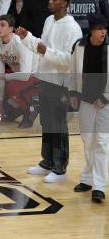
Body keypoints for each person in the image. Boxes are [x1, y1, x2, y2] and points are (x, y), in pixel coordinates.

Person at [18, 0, 82, 183]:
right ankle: (47, 162)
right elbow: (41, 47)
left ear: (64, 3)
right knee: (46, 123)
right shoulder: (49, 21)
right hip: (45, 79)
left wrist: (47, 51)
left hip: (61, 83)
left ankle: (60, 168)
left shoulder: (72, 28)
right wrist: (27, 37)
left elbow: (69, 59)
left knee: (58, 126)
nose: (50, 0)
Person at [68, 13, 109, 204]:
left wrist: (105, 98)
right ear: (91, 30)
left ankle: (99, 186)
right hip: (85, 99)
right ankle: (87, 178)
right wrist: (73, 93)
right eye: (100, 29)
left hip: (105, 103)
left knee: (101, 141)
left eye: (105, 29)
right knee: (88, 139)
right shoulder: (79, 46)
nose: (103, 32)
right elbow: (73, 70)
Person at [0, 14, 38, 122]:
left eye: (2, 25)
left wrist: (3, 77)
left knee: (12, 85)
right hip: (19, 76)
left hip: (37, 75)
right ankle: (11, 109)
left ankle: (31, 109)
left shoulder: (20, 43)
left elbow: (25, 75)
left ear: (11, 29)